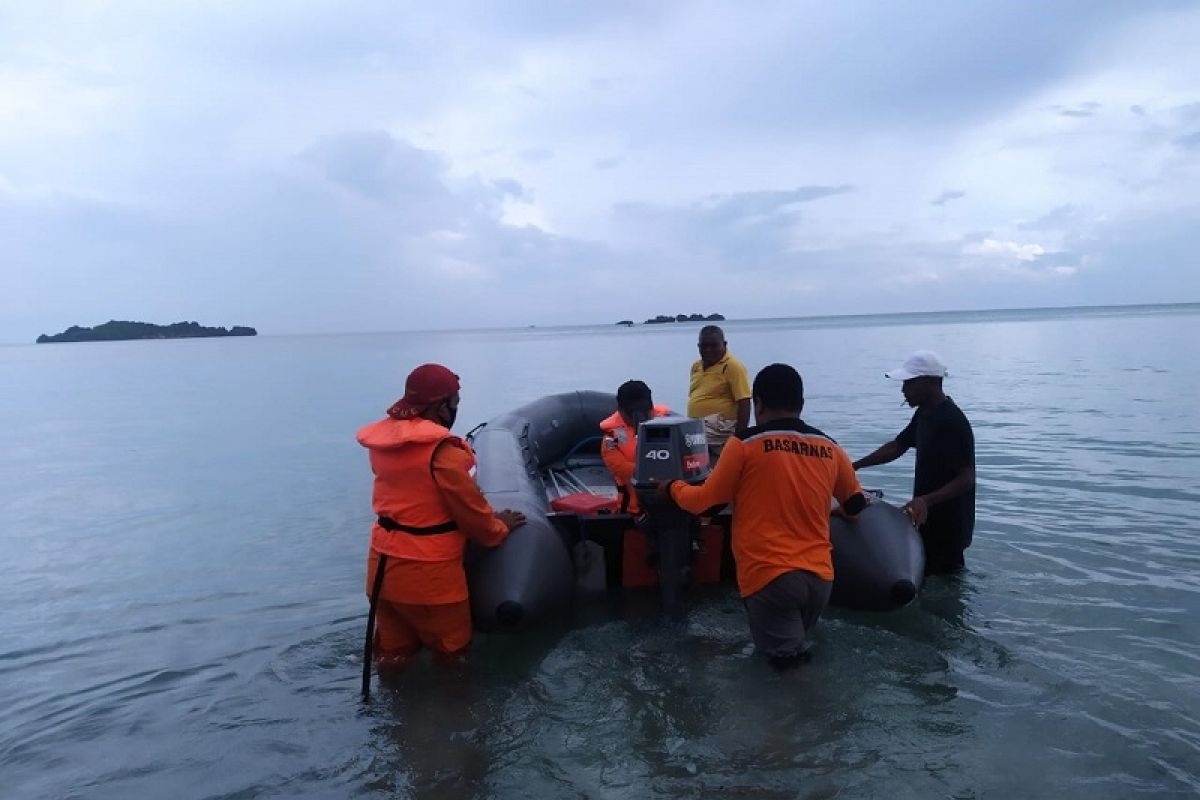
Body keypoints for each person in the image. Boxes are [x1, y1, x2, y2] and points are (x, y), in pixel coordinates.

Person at [661, 363, 867, 668]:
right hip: (820, 580)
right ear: (801, 404)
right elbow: (855, 505)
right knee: (794, 656)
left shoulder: (745, 444)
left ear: (758, 404)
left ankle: (806, 716)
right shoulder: (829, 447)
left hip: (771, 577)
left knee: (787, 675)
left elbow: (706, 503)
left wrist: (672, 488)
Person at [357, 363, 526, 667]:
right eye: (455, 404)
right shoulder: (445, 454)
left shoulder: (382, 446)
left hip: (381, 571)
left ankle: (391, 714)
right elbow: (475, 520)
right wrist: (500, 527)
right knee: (453, 661)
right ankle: (452, 714)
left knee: (393, 656)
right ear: (441, 406)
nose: (456, 410)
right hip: (433, 580)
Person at [852, 350, 976, 575]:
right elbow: (898, 446)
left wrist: (926, 500)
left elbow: (967, 478)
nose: (903, 390)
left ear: (929, 382)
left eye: (908, 383)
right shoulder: (925, 414)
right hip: (926, 519)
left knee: (946, 585)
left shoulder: (952, 421)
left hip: (948, 527)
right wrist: (854, 466)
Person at [599, 380, 672, 515]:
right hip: (634, 510)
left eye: (645, 411)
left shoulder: (670, 423)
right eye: (634, 412)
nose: (640, 417)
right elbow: (621, 468)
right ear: (621, 411)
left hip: (672, 503)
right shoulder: (611, 438)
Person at [687, 325, 752, 457]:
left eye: (714, 345)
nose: (708, 350)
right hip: (699, 424)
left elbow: (744, 402)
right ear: (698, 346)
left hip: (722, 428)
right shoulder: (696, 366)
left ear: (724, 344)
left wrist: (738, 439)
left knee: (685, 439)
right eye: (704, 346)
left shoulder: (733, 366)